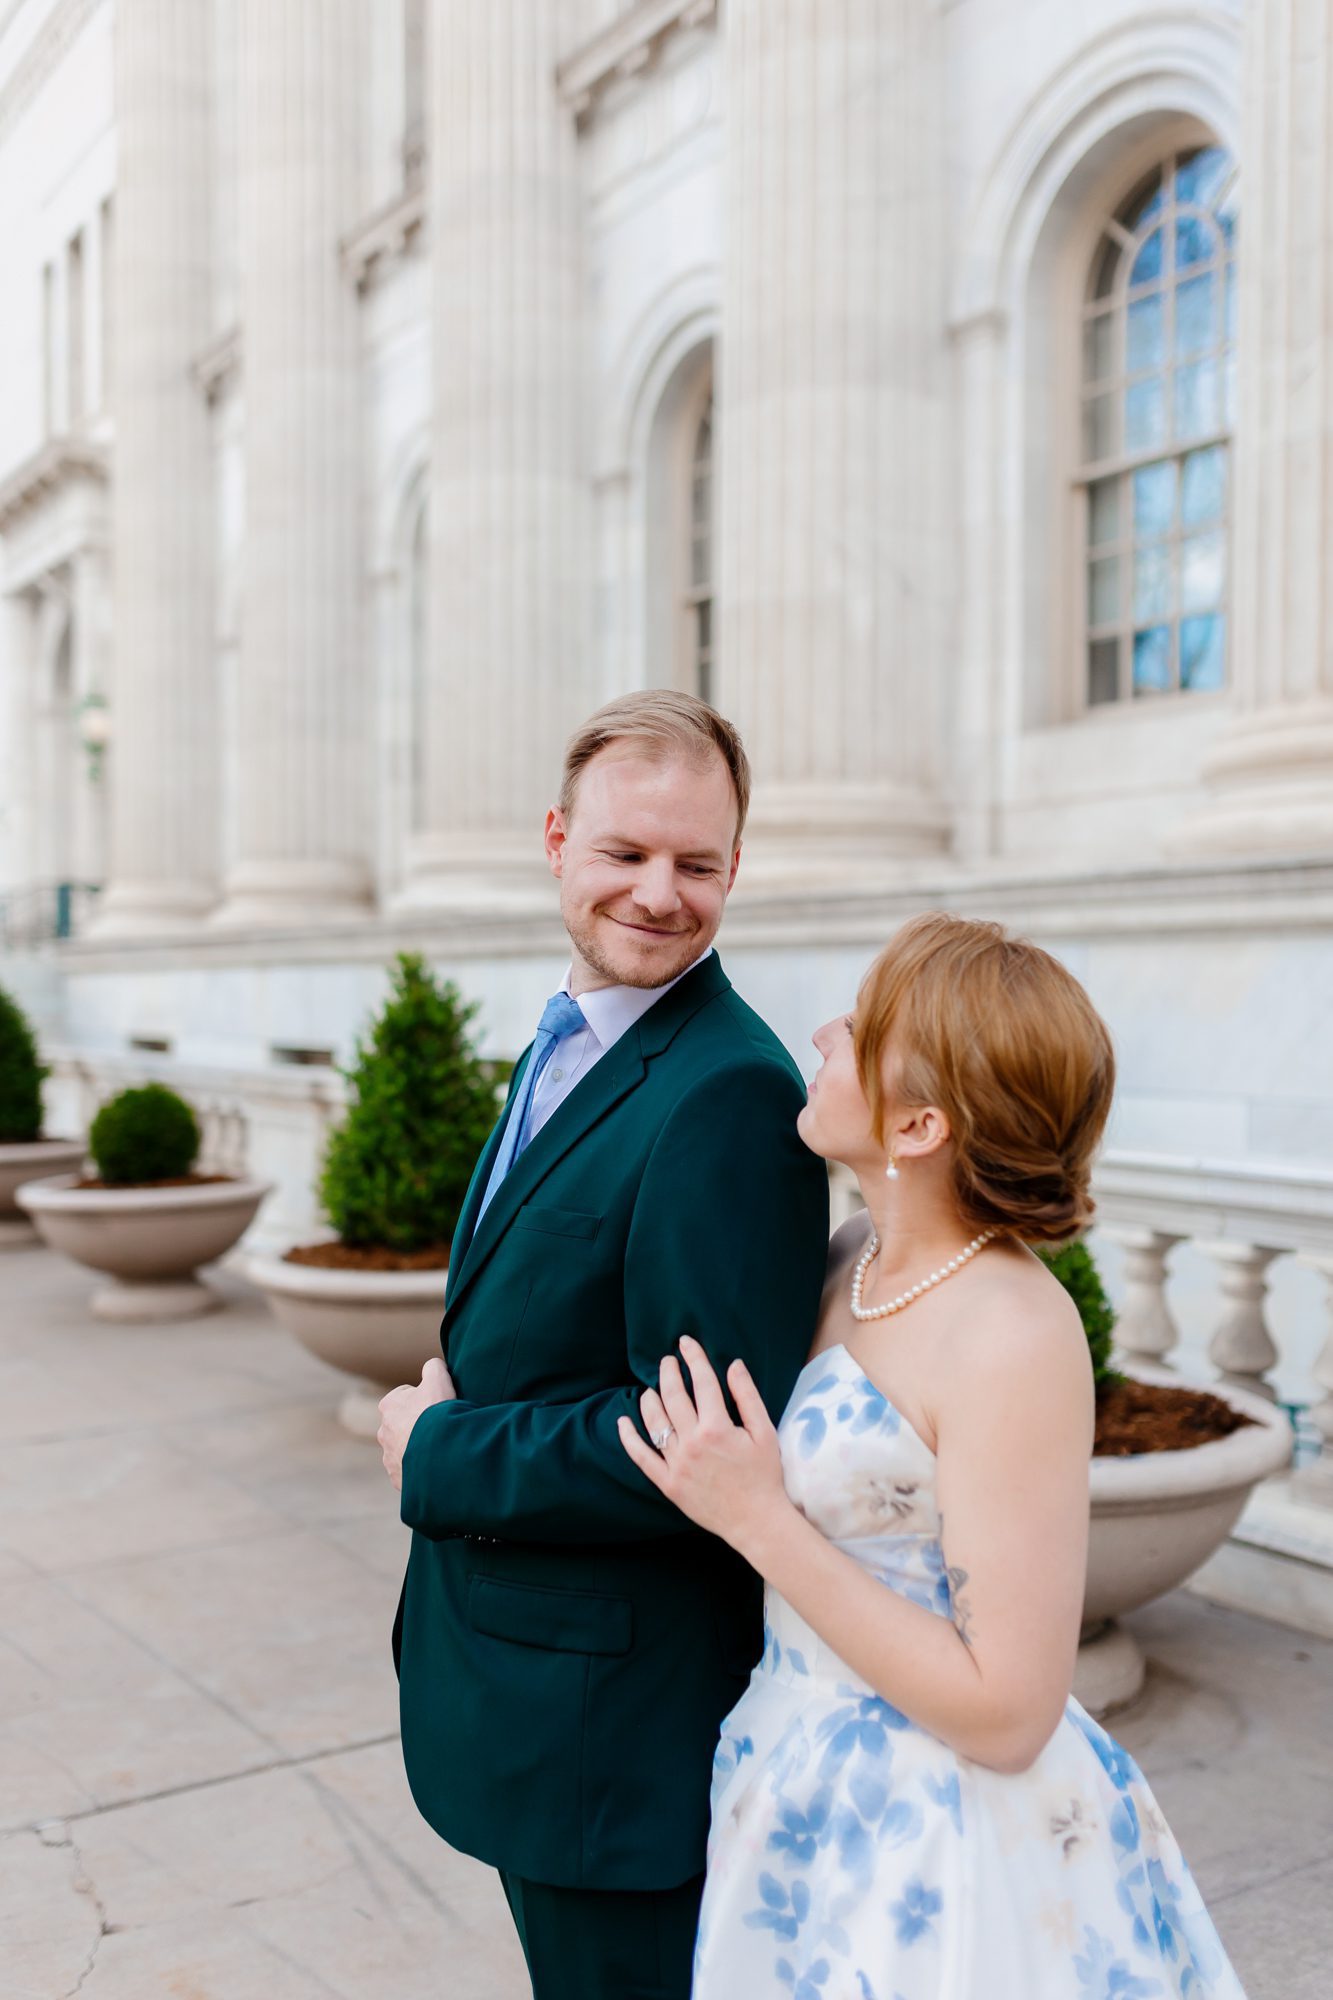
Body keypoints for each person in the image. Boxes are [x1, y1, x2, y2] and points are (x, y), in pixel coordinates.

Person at [620, 912, 1249, 2000]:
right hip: (793, 1778)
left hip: (942, 1850)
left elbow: (1010, 1709)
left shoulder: (1012, 1331)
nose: (821, 1033)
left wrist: (759, 1517)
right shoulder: (853, 1254)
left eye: (858, 1026)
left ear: (917, 1124)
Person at [376, 691, 830, 2000]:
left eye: (698, 864)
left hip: (614, 1740)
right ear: (557, 839)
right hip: (525, 1687)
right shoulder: (569, 1038)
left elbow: (698, 1451)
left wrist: (438, 1448)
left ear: (736, 869)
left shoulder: (731, 1092)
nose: (660, 894)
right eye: (626, 853)